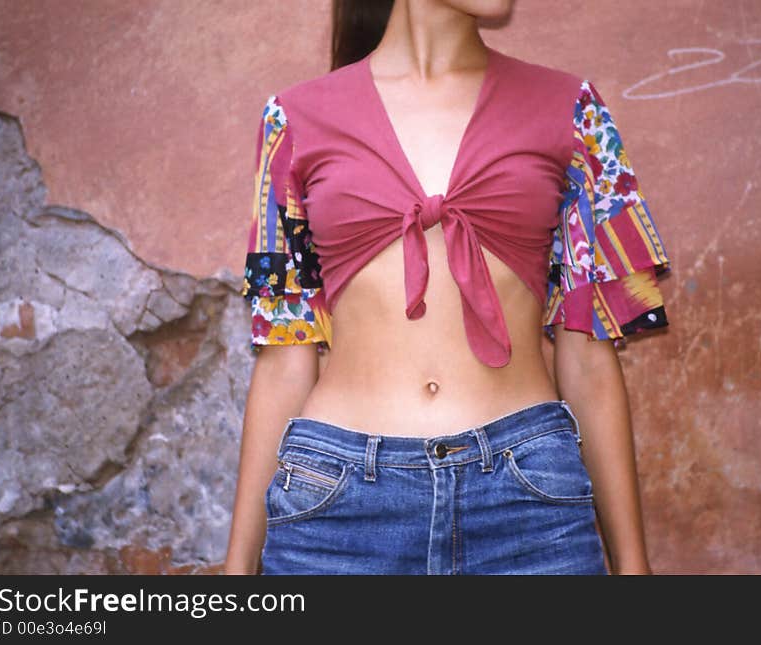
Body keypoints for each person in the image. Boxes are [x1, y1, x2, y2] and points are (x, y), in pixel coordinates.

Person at [225, 0, 671, 575]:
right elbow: (284, 354)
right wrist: (234, 575)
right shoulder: (292, 119)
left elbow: (588, 355)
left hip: (529, 501)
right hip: (337, 506)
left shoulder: (573, 111)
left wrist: (633, 568)